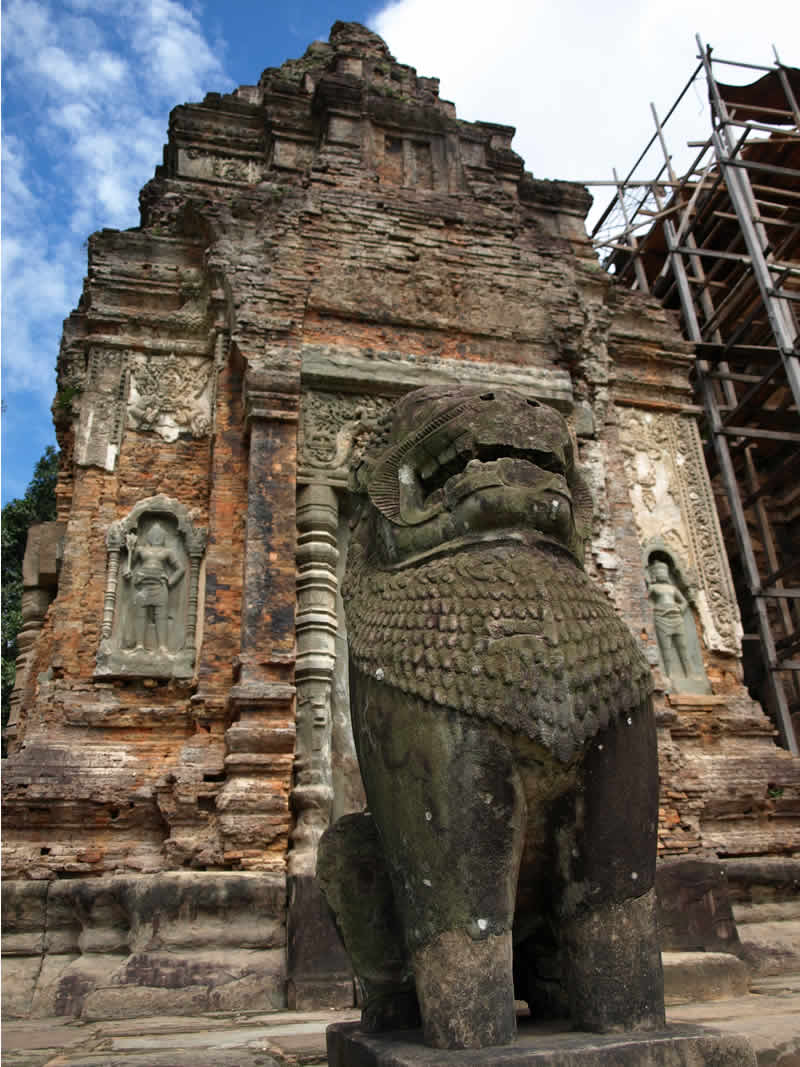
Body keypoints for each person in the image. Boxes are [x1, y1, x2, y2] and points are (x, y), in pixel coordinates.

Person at [124, 523, 184, 652]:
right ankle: (139, 645)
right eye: (153, 534)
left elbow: (180, 569)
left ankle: (162, 646)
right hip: (143, 585)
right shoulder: (140, 550)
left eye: (159, 534)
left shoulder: (167, 551)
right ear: (149, 536)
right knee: (140, 615)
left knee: (161, 616)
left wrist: (170, 581)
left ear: (163, 536)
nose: (156, 537)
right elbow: (130, 565)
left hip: (160, 585)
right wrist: (127, 571)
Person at [647, 560, 691, 679]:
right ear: (653, 573)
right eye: (659, 570)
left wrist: (679, 608)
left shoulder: (673, 588)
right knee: (666, 648)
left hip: (676, 617)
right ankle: (669, 674)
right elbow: (645, 601)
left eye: (664, 570)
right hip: (661, 618)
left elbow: (684, 602)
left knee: (682, 647)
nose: (662, 572)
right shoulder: (653, 587)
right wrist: (655, 608)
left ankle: (689, 673)